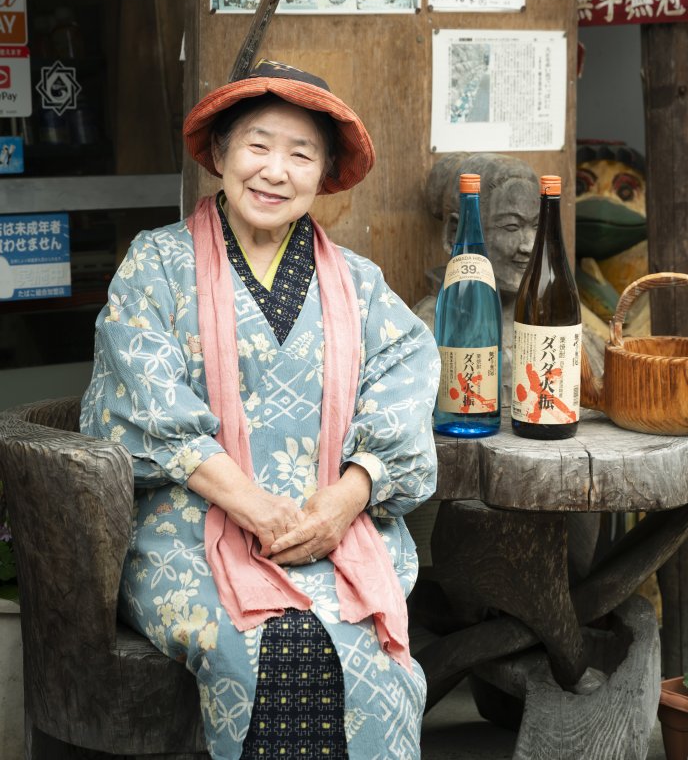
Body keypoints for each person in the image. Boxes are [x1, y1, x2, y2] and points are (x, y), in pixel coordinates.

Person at [80, 59, 440, 760]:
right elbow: (143, 398)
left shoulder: (360, 285)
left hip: (330, 537)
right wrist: (249, 503)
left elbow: (405, 385)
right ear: (219, 154)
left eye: (300, 153)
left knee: (377, 666)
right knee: (272, 648)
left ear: (325, 171)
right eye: (257, 145)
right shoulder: (155, 264)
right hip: (190, 535)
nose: (275, 169)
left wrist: (343, 500)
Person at [413, 152, 539, 406]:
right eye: (511, 227)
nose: (529, 245)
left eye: (536, 226)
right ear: (454, 232)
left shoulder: (550, 321)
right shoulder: (426, 329)